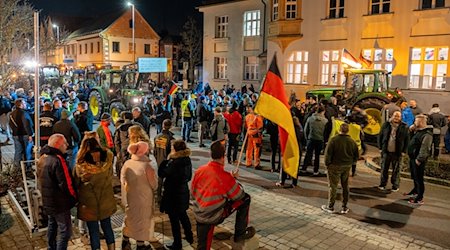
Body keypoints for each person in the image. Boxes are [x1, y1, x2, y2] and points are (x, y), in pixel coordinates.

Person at [191, 140, 255, 249]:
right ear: (223, 156)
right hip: (213, 215)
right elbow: (239, 195)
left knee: (202, 244)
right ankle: (240, 234)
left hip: (199, 211)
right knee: (246, 199)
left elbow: (193, 192)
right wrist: (232, 181)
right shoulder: (225, 177)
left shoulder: (200, 170)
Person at [73, 132, 116, 250]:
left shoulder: (80, 165)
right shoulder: (107, 159)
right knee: (107, 227)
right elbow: (111, 176)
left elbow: (76, 183)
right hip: (105, 201)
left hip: (89, 204)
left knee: (93, 231)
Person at [37, 134, 77, 250]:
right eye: (65, 143)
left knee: (52, 226)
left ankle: (51, 247)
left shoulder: (42, 157)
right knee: (65, 232)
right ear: (58, 145)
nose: (67, 145)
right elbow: (66, 183)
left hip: (48, 201)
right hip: (60, 203)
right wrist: (73, 198)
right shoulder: (58, 160)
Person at [121, 141, 158, 250]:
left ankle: (125, 240)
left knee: (130, 217)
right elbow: (154, 185)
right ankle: (140, 245)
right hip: (144, 198)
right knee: (142, 220)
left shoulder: (127, 163)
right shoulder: (147, 166)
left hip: (131, 196)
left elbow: (123, 178)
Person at [158, 140, 194, 249]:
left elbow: (162, 173)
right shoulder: (187, 160)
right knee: (183, 215)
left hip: (173, 194)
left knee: (174, 220)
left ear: (175, 149)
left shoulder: (174, 162)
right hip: (183, 192)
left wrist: (165, 161)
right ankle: (189, 236)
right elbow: (189, 177)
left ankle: (177, 243)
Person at [321, 123, 359, 214]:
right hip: (346, 166)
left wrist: (327, 164)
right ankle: (344, 206)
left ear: (339, 129)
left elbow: (328, 154)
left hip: (334, 166)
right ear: (348, 131)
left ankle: (330, 206)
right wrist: (351, 163)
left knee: (333, 186)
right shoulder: (352, 142)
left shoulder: (333, 140)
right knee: (345, 186)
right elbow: (356, 155)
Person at [378, 111, 409, 192]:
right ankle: (382, 184)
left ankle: (395, 185)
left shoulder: (404, 127)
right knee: (384, 168)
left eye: (398, 116)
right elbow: (380, 136)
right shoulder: (386, 125)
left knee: (396, 170)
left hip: (397, 152)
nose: (396, 118)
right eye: (395, 116)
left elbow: (407, 140)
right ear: (392, 116)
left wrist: (404, 151)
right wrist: (380, 148)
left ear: (400, 117)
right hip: (386, 151)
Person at [406, 115, 433, 205]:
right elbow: (411, 141)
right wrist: (411, 130)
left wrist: (420, 159)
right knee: (414, 176)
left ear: (421, 122)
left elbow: (425, 148)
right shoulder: (418, 131)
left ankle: (419, 198)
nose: (414, 122)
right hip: (413, 157)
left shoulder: (427, 134)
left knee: (419, 178)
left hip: (418, 160)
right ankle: (415, 191)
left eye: (416, 121)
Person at [301, 106, 328, 175]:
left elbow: (306, 129)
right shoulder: (325, 121)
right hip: (320, 140)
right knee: (317, 156)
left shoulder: (310, 119)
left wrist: (307, 138)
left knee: (308, 154)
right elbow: (326, 132)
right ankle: (315, 171)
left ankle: (304, 169)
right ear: (323, 112)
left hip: (311, 139)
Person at [276, 117, 303, 187]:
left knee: (285, 165)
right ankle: (294, 183)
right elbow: (304, 139)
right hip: (297, 149)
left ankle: (282, 181)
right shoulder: (300, 129)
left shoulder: (289, 130)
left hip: (289, 149)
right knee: (295, 167)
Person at [9, 98, 34, 170]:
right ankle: (27, 167)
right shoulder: (24, 113)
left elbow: (10, 124)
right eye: (24, 103)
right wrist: (30, 134)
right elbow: (26, 124)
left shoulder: (12, 114)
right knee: (28, 151)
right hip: (25, 134)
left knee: (18, 151)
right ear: (21, 104)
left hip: (15, 134)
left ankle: (16, 168)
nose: (25, 104)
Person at [114, 111, 140, 176]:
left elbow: (116, 141)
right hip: (134, 148)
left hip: (123, 149)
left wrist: (118, 152)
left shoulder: (119, 128)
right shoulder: (137, 126)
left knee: (124, 165)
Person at [245, 105, 263, 169]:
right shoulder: (258, 117)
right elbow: (260, 127)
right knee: (256, 150)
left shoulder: (247, 117)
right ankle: (256, 163)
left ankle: (248, 162)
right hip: (256, 135)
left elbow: (245, 126)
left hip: (249, 133)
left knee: (249, 149)